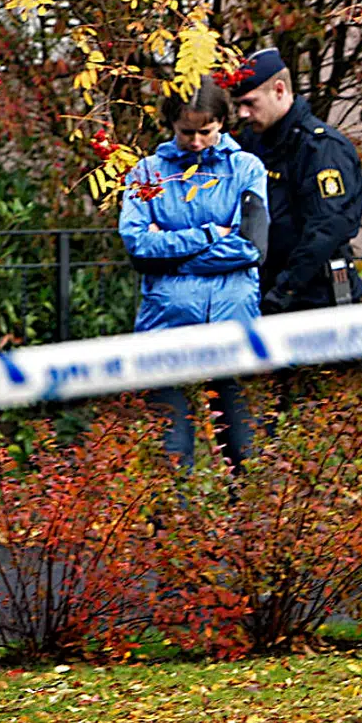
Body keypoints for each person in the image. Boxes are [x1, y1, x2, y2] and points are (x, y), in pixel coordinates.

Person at [119, 77, 269, 471]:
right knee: (171, 452)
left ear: (222, 123)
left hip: (233, 324)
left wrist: (171, 253)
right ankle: (172, 531)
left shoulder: (247, 169)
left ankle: (248, 531)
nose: (197, 141)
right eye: (187, 132)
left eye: (206, 131)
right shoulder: (146, 174)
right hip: (165, 327)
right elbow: (138, 247)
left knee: (245, 452)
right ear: (171, 125)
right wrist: (208, 234)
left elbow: (251, 246)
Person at [229, 48, 362, 315]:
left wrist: (282, 292)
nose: (243, 113)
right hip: (266, 291)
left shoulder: (321, 149)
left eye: (250, 103)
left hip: (316, 298)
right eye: (239, 106)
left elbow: (327, 229)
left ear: (279, 90)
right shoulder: (251, 144)